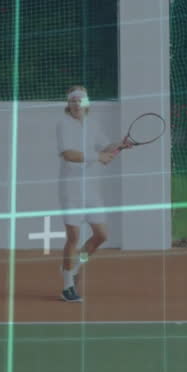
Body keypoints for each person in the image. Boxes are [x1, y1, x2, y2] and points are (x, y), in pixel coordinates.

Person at [55, 85, 127, 302]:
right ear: (68, 104)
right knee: (74, 238)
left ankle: (74, 266)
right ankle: (67, 286)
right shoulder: (64, 124)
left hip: (91, 190)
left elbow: (106, 147)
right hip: (71, 189)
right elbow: (68, 154)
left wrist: (120, 146)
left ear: (87, 103)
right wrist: (98, 157)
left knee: (101, 236)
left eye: (80, 100)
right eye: (73, 100)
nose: (77, 104)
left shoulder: (93, 124)